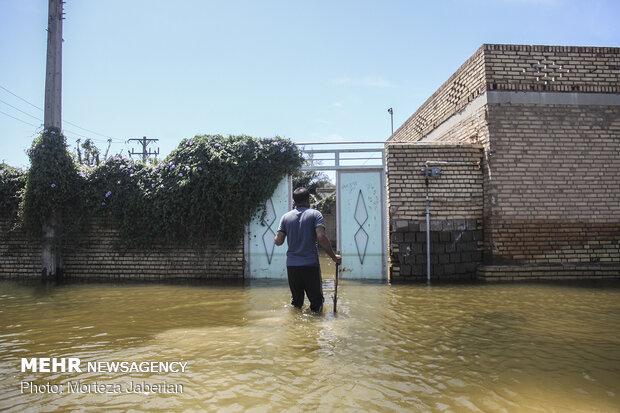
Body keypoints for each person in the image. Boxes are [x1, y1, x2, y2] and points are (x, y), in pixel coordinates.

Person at [274, 187, 341, 313]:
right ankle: (314, 329)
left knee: (296, 302)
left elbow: (278, 241)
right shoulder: (315, 214)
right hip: (310, 265)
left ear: (294, 201)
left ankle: (295, 328)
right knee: (316, 303)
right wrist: (333, 257)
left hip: (292, 266)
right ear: (308, 199)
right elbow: (321, 237)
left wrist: (277, 235)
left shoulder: (285, 217)